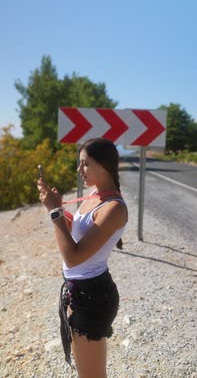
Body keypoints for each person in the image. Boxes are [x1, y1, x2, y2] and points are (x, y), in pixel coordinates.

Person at [37, 138, 128, 378]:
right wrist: (53, 207)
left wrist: (56, 212)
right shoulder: (94, 195)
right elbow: (77, 230)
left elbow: (73, 256)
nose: (79, 170)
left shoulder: (114, 208)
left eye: (85, 164)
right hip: (79, 291)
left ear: (104, 165)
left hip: (93, 297)